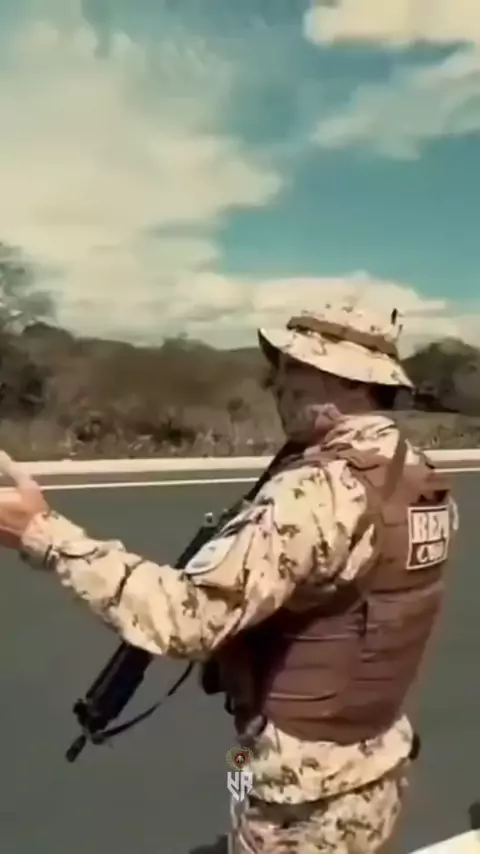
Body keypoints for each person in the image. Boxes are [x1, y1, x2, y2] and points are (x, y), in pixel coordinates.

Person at [0, 304, 458, 853]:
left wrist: (41, 534)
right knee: (238, 775)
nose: (277, 384)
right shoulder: (418, 475)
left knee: (248, 802)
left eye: (293, 368)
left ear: (343, 381)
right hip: (375, 763)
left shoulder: (317, 491)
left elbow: (185, 618)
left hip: (297, 796)